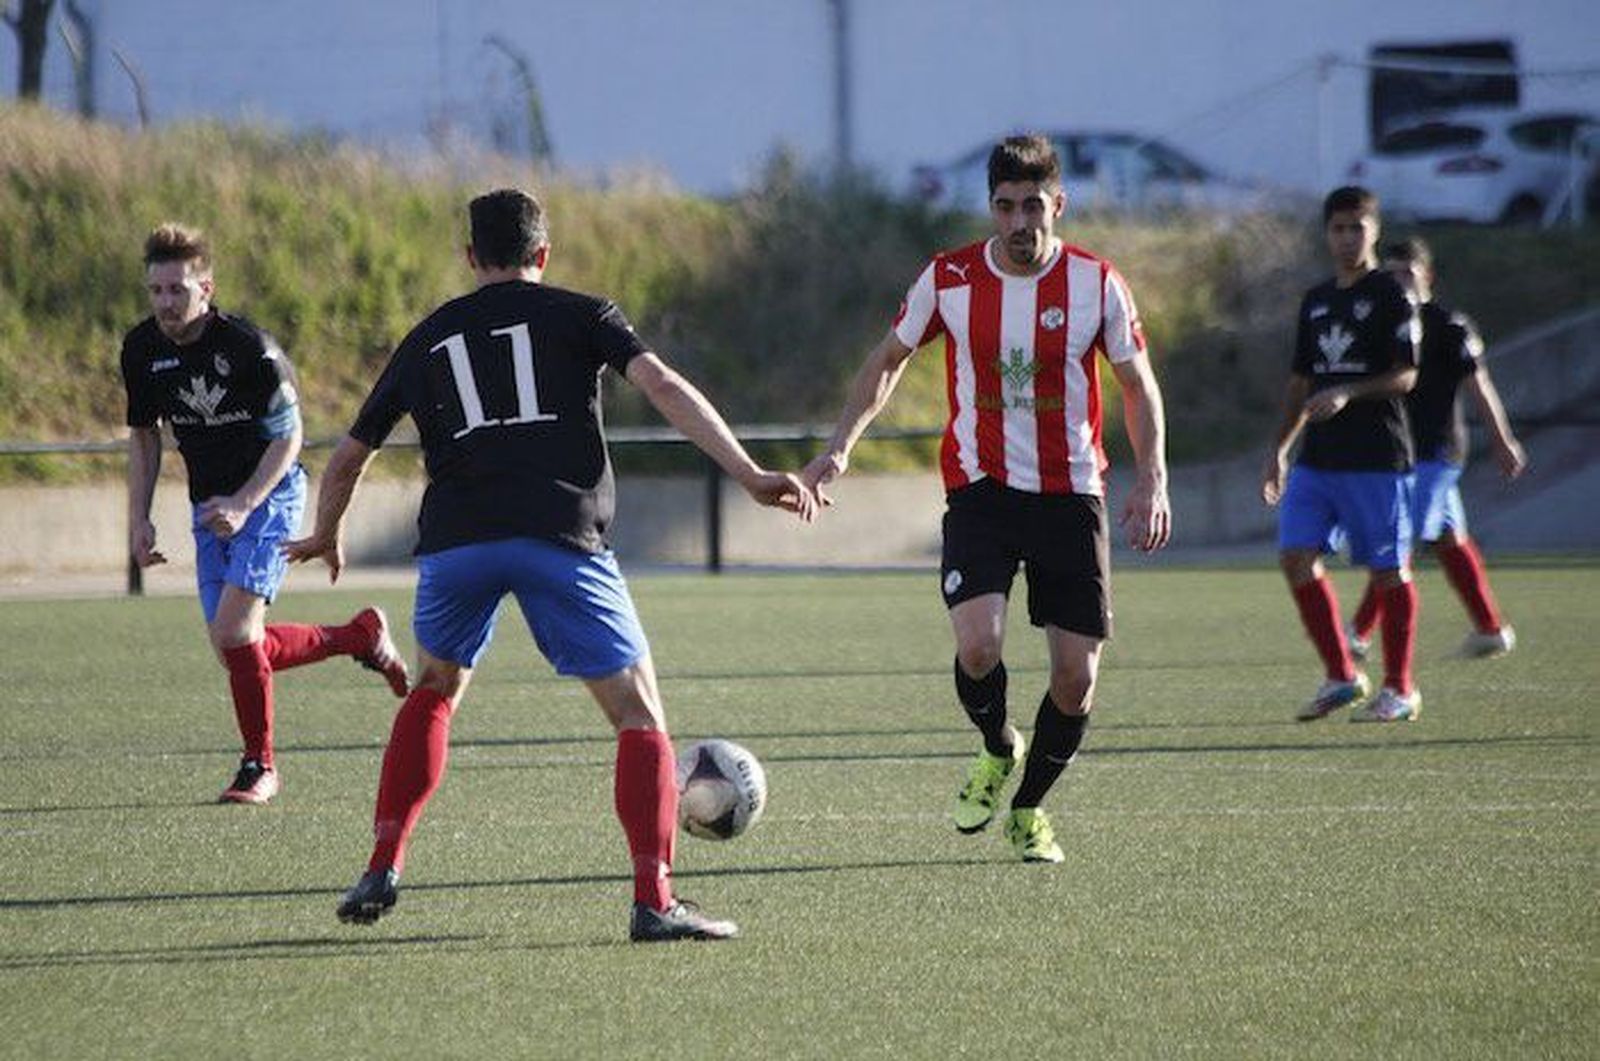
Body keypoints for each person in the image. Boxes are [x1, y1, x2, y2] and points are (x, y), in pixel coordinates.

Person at [285, 188, 818, 941]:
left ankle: (382, 862)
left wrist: (326, 533)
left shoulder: (428, 336)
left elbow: (348, 456)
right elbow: (662, 385)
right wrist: (748, 472)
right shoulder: (584, 313)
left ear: (472, 257)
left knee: (434, 688)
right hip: (558, 534)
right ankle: (653, 897)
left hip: (457, 542)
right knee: (639, 715)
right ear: (544, 253)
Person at [800, 135, 1171, 864]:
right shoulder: (949, 278)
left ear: (1058, 205)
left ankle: (1030, 808)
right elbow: (887, 362)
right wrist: (840, 445)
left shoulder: (1098, 285)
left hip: (1072, 494)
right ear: (991, 208)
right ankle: (998, 745)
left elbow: (1137, 386)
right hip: (982, 490)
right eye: (1006, 207)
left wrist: (1152, 476)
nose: (1020, 221)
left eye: (1034, 205)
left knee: (1076, 677)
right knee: (978, 645)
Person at [120, 223, 410, 805]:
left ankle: (261, 766)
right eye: (156, 291)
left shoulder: (249, 349)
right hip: (211, 507)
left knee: (234, 632)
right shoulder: (142, 350)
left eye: (177, 290)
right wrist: (139, 517)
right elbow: (145, 438)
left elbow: (290, 436)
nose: (165, 303)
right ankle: (359, 636)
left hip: (270, 495)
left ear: (207, 287)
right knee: (237, 645)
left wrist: (247, 501)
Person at [1261, 186, 1421, 723]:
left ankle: (1400, 688)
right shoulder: (1317, 300)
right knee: (1294, 554)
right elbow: (1299, 382)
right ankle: (1341, 674)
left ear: (1374, 230)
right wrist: (1280, 448)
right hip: (1317, 458)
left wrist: (1350, 391)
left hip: (1377, 457)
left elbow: (1406, 374)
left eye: (1358, 227)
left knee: (1387, 572)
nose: (1348, 237)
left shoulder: (1392, 296)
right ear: (1326, 233)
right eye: (1338, 228)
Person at [1344, 237, 1526, 661]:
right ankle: (1490, 629)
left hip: (1438, 453)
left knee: (1399, 538)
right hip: (1399, 453)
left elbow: (1479, 386)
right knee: (1449, 539)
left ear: (1428, 275)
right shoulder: (1382, 326)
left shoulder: (1449, 326)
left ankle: (1358, 632)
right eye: (1390, 274)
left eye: (1407, 273)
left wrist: (1503, 440)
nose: (1399, 282)